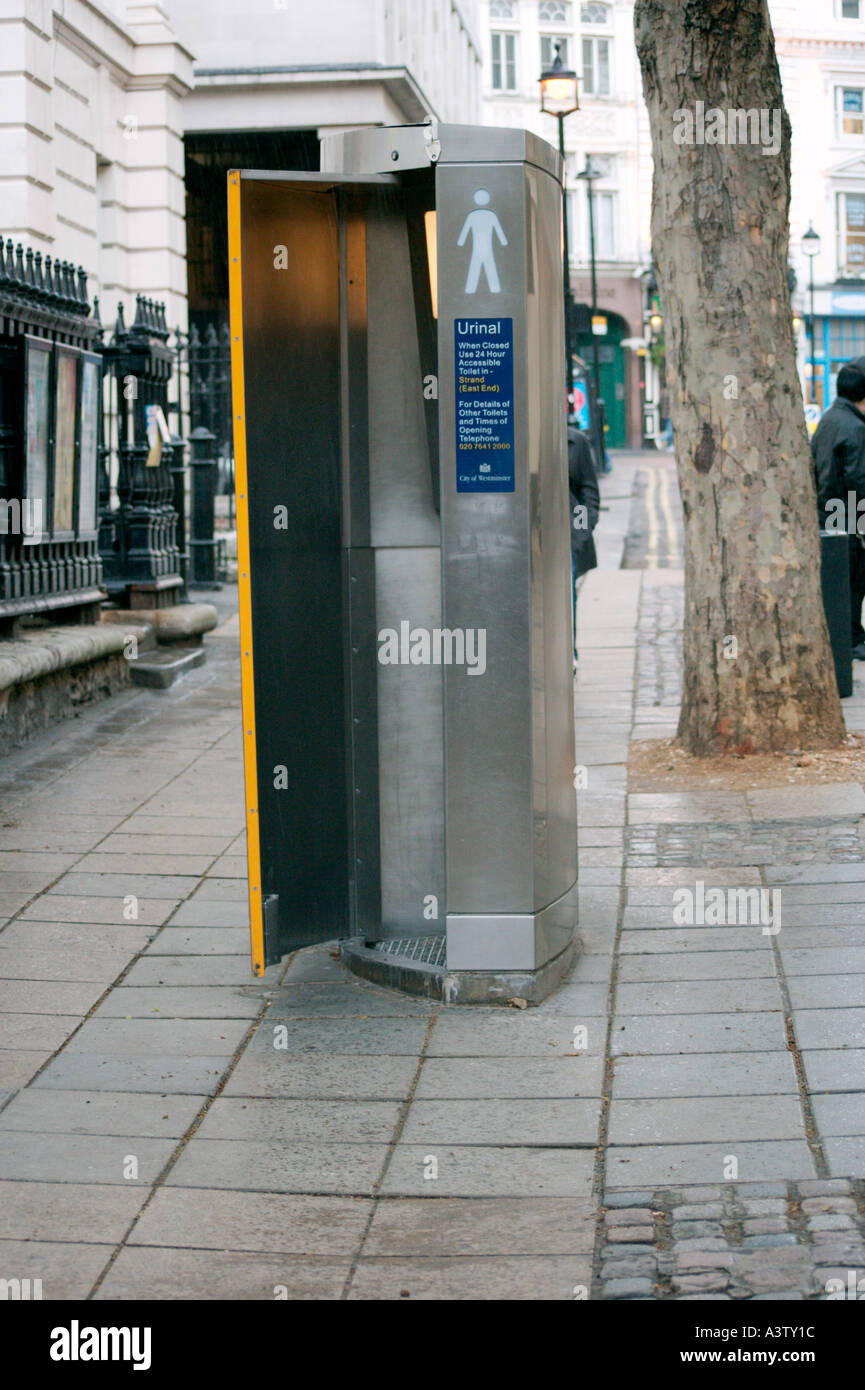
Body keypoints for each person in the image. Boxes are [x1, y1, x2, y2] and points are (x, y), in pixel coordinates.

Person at [810, 361, 865, 660]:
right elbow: (859, 480)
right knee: (855, 583)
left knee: (840, 585)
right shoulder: (856, 427)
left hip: (829, 515)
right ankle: (853, 640)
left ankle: (850, 637)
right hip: (850, 518)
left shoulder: (830, 418)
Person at [567, 420, 600, 670]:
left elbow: (586, 495)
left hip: (565, 539)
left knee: (567, 599)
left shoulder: (576, 442)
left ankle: (570, 653)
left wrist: (579, 533)